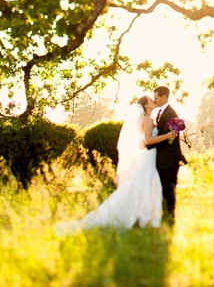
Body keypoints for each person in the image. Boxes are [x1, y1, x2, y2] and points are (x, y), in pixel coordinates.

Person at [55, 96, 177, 233]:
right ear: (145, 106)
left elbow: (142, 142)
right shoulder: (147, 120)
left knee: (142, 183)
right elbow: (147, 141)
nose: (153, 101)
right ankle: (143, 217)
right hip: (147, 157)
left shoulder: (147, 120)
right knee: (144, 182)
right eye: (150, 100)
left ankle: (143, 217)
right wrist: (167, 136)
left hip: (146, 156)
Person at [146, 85, 187, 223]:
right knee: (164, 190)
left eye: (156, 98)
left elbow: (169, 138)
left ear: (164, 97)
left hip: (169, 160)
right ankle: (166, 216)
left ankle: (170, 218)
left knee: (169, 190)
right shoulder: (162, 113)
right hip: (163, 160)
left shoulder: (170, 113)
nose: (154, 100)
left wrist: (149, 143)